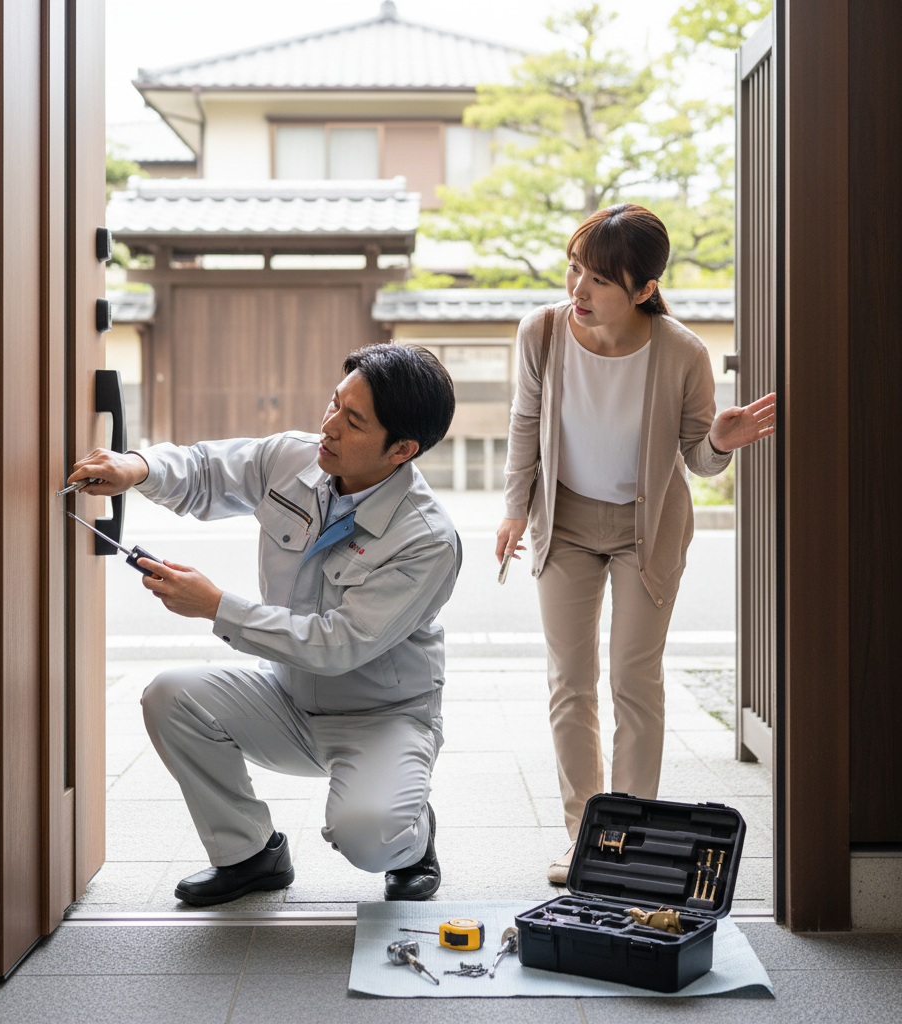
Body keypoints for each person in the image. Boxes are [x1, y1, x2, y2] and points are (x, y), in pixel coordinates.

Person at [68, 344, 459, 904]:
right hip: (287, 696)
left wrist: (216, 605)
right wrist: (138, 467)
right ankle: (251, 856)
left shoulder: (426, 539)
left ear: (402, 449)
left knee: (369, 839)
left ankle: (412, 835)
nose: (328, 425)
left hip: (381, 719)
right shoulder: (293, 459)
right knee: (170, 697)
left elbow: (338, 644)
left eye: (352, 421)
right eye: (333, 403)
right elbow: (206, 471)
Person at [495, 204, 775, 885]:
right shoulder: (542, 332)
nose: (578, 291)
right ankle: (583, 835)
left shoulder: (681, 351)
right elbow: (524, 427)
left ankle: (624, 837)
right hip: (564, 523)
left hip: (646, 533)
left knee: (634, 682)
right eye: (574, 271)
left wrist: (719, 442)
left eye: (597, 280)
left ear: (643, 290)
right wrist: (512, 511)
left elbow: (699, 461)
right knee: (571, 683)